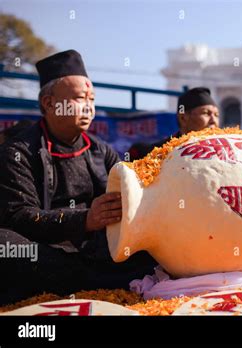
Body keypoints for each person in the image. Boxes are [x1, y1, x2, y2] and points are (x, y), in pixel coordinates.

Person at [0, 50, 156, 305]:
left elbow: (131, 195)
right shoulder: (17, 152)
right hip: (44, 252)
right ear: (49, 103)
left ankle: (91, 278)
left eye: (92, 99)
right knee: (5, 244)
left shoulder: (101, 150)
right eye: (80, 98)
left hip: (95, 251)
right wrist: (85, 219)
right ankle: (98, 280)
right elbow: (18, 217)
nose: (89, 107)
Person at [128, 87, 219, 160]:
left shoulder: (222, 152)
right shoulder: (152, 154)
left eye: (216, 115)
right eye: (206, 113)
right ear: (183, 118)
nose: (213, 120)